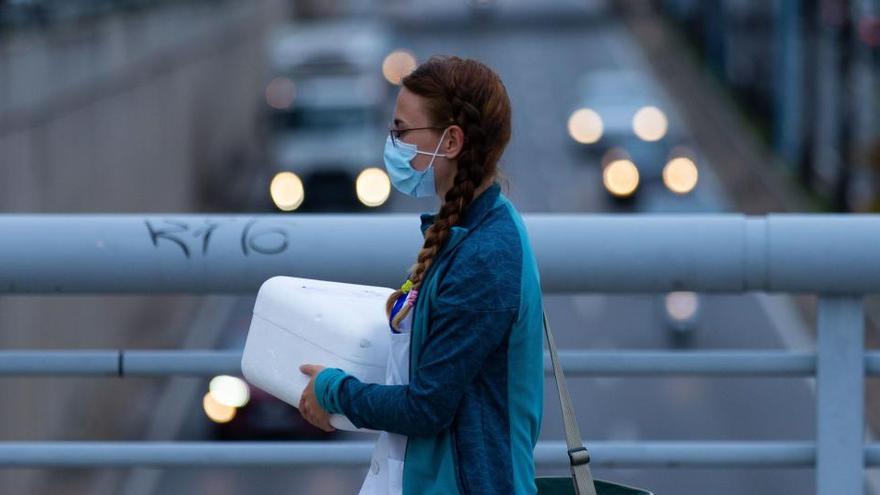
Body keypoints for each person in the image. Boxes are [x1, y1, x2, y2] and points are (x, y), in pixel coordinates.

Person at [299, 55, 545, 495]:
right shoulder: (472, 230)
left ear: (450, 142)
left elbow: (427, 407)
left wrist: (333, 391)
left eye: (401, 131)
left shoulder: (485, 255)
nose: (392, 143)